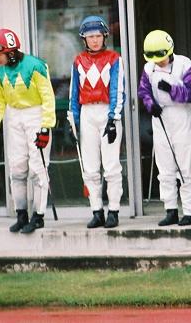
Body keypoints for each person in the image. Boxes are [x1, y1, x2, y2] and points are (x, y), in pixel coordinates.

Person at [0, 28, 56, 234]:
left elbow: (48, 98)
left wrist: (46, 127)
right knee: (16, 169)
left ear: (11, 52)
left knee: (37, 168)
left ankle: (38, 216)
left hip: (36, 115)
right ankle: (21, 215)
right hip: (14, 116)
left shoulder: (36, 66)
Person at [137, 30, 191, 227]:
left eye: (161, 57)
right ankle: (170, 209)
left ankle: (189, 211)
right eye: (154, 58)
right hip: (161, 117)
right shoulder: (149, 68)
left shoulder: (185, 64)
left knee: (185, 166)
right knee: (164, 168)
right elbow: (143, 91)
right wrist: (150, 105)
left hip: (182, 116)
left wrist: (172, 90)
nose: (158, 62)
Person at [70, 15, 125, 229]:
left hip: (107, 112)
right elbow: (74, 93)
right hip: (87, 113)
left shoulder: (114, 58)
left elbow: (117, 90)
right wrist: (74, 122)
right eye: (90, 36)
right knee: (90, 168)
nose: (94, 40)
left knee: (111, 166)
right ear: (84, 39)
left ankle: (114, 211)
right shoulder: (78, 61)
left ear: (105, 37)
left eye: (98, 36)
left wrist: (113, 118)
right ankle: (97, 211)